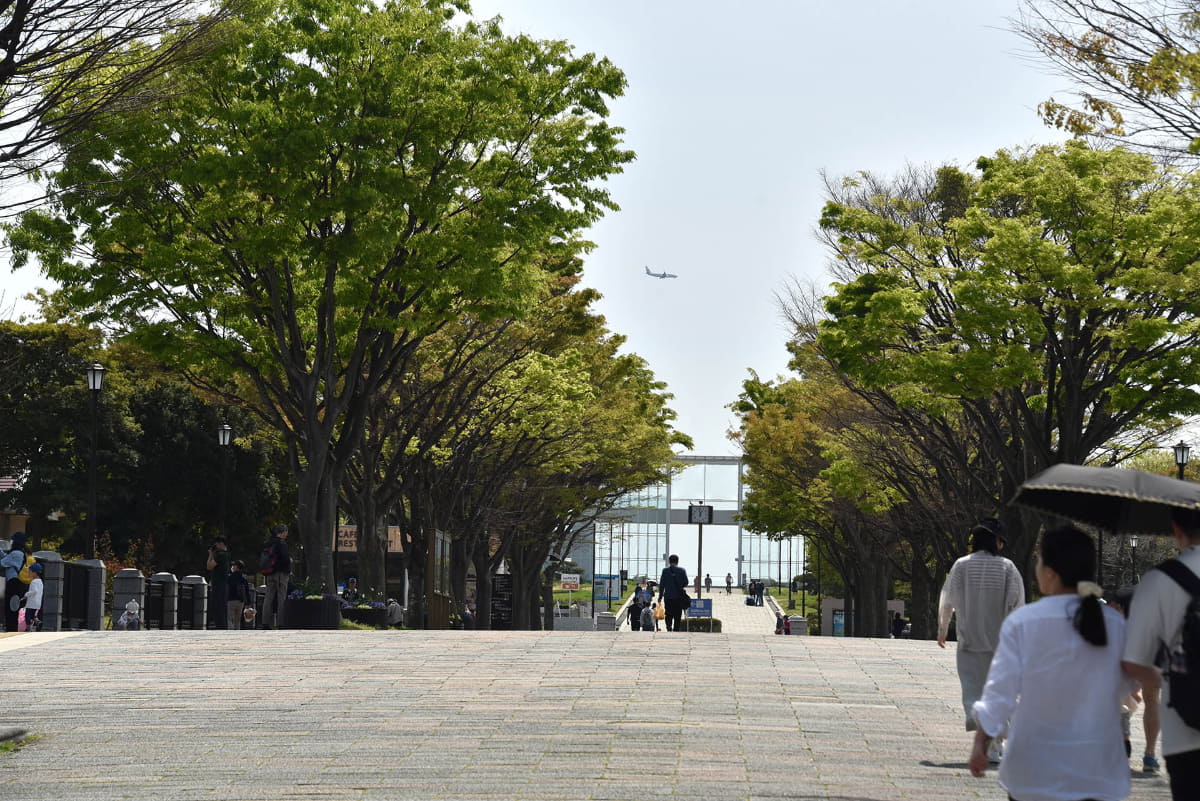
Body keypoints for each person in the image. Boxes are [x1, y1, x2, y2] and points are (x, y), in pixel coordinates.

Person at [968, 525, 1130, 801]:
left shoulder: (1024, 622)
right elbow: (1126, 686)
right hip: (1098, 771)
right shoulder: (1114, 624)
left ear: (1051, 573)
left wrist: (981, 744)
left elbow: (1000, 693)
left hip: (1034, 770)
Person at [1123, 506, 1200, 799]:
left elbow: (1133, 662)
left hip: (1185, 733)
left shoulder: (1159, 580)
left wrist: (1172, 677)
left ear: (1176, 530)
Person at [938, 516, 1024, 749]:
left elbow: (947, 599)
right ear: (998, 541)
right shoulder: (1008, 568)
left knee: (974, 693)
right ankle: (996, 739)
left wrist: (943, 629)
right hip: (1000, 643)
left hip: (969, 641)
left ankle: (990, 741)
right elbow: (1017, 604)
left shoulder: (961, 565)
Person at [1109, 585, 1161, 774]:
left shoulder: (1123, 596)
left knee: (1120, 699)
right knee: (1152, 699)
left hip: (1126, 646)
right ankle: (1150, 754)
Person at [261, 523, 292, 629]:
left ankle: (265, 622)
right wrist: (288, 569)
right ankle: (280, 622)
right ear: (283, 532)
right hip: (281, 573)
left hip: (269, 573)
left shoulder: (268, 543)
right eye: (286, 532)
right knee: (281, 597)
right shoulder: (282, 543)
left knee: (268, 598)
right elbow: (284, 558)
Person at [1, 531, 31, 632]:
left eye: (12, 540)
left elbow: (2, 562)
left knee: (11, 607)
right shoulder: (21, 552)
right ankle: (12, 628)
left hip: (13, 583)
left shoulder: (16, 553)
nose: (11, 542)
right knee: (14, 606)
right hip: (18, 583)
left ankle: (11, 629)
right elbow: (6, 559)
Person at [658, 555, 689, 633]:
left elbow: (662, 585)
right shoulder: (682, 570)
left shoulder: (665, 571)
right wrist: (680, 585)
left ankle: (669, 627)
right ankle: (676, 629)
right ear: (677, 561)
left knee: (668, 613)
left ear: (669, 561)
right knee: (678, 614)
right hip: (678, 597)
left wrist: (660, 596)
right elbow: (686, 583)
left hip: (668, 597)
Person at [206, 536, 230, 629]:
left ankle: (220, 627)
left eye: (216, 545)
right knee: (222, 607)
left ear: (221, 544)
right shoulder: (225, 554)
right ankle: (222, 626)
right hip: (223, 584)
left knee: (218, 607)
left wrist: (211, 554)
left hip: (219, 585)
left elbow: (209, 566)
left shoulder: (221, 555)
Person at [227, 559, 252, 630]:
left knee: (229, 618)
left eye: (234, 565)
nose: (232, 567)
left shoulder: (230, 577)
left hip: (231, 600)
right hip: (241, 601)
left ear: (237, 567)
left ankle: (230, 631)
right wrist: (248, 603)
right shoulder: (244, 579)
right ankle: (237, 631)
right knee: (237, 620)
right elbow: (247, 591)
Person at [23, 562, 43, 632]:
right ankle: (38, 622)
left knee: (27, 616)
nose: (28, 573)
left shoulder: (34, 581)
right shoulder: (40, 581)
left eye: (30, 571)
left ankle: (28, 628)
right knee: (32, 615)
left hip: (31, 603)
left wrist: (26, 594)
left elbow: (35, 591)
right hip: (37, 602)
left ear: (35, 572)